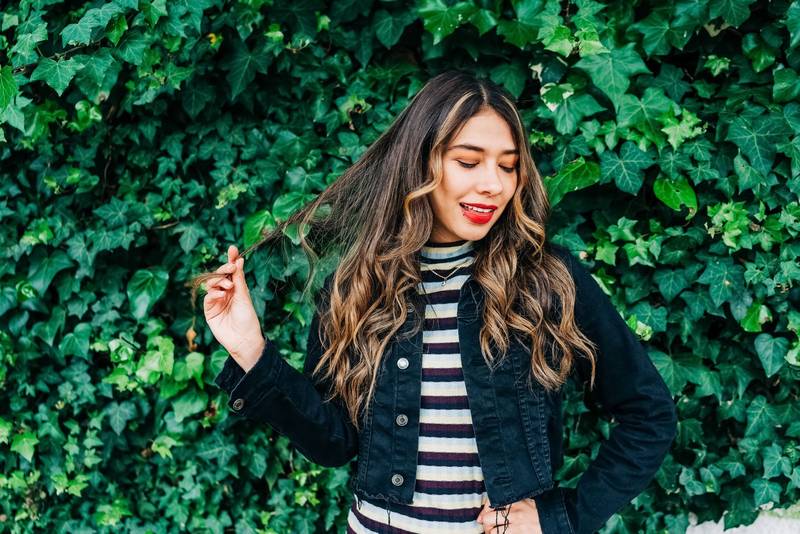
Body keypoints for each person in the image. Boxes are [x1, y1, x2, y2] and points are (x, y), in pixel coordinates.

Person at [190, 70, 678, 534]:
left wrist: (560, 519)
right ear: (420, 162)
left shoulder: (547, 280)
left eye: (508, 166)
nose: (494, 183)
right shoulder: (357, 285)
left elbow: (648, 412)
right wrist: (250, 350)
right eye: (468, 161)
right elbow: (333, 441)